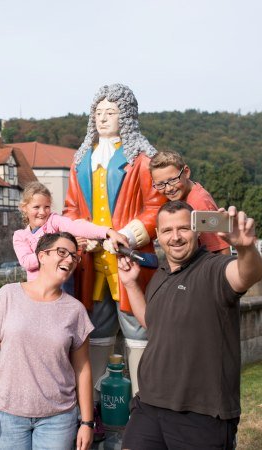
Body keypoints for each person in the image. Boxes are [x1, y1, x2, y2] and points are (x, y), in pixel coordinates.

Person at [117, 200, 262, 449]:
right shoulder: (161, 275)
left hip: (201, 414)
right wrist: (131, 285)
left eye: (183, 228)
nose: (175, 237)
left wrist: (245, 249)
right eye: (167, 230)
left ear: (197, 231)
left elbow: (247, 274)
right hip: (149, 406)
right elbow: (153, 325)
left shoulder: (213, 270)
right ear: (158, 237)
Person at [62, 84, 166, 402]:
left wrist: (130, 236)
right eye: (99, 112)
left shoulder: (143, 161)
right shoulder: (80, 163)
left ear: (127, 117)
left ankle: (143, 401)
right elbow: (70, 210)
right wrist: (83, 236)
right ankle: (91, 406)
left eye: (112, 112)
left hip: (129, 264)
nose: (104, 118)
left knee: (139, 332)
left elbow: (156, 208)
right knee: (94, 332)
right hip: (91, 267)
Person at [0, 232, 95, 450]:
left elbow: (83, 368)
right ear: (41, 256)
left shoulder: (75, 310)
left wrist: (87, 422)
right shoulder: (7, 295)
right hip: (6, 414)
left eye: (74, 257)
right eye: (61, 252)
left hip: (58, 418)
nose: (69, 259)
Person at [14, 181, 120, 281]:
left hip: (61, 285)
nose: (42, 212)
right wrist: (65, 248)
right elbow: (27, 262)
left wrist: (107, 232)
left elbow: (76, 227)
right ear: (24, 208)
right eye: (36, 207)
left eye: (47, 207)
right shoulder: (20, 236)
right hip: (38, 289)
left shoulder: (53, 220)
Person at [150, 150, 230, 254]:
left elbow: (221, 249)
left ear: (186, 172)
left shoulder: (200, 204)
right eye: (160, 184)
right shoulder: (181, 197)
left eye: (173, 180)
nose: (169, 188)